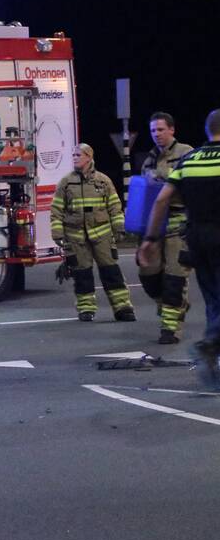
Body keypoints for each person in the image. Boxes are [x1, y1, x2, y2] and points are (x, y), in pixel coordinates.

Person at [139, 110, 220, 387]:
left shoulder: (189, 158)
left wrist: (148, 238)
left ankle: (209, 347)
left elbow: (161, 201)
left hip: (195, 236)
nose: (156, 134)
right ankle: (210, 344)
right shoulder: (155, 157)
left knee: (212, 299)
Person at [50, 143, 136, 322]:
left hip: (102, 236)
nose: (74, 158)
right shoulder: (66, 183)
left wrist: (119, 228)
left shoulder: (103, 181)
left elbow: (114, 206)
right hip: (76, 238)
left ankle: (123, 308)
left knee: (111, 272)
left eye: (78, 155)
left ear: (89, 157)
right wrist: (57, 233)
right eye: (73, 155)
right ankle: (86, 309)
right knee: (82, 275)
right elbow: (57, 210)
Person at [137, 112, 194, 344]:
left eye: (160, 130)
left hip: (179, 224)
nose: (156, 135)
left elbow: (192, 187)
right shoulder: (148, 159)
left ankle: (170, 329)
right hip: (154, 224)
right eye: (152, 131)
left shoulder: (186, 153)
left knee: (174, 279)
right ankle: (177, 305)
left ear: (172, 130)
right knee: (148, 275)